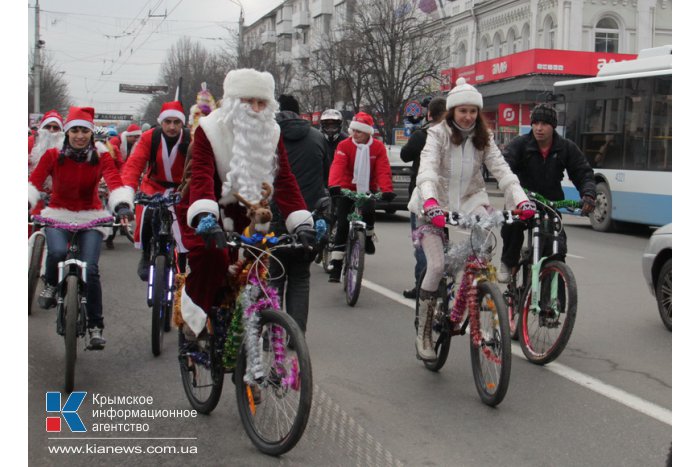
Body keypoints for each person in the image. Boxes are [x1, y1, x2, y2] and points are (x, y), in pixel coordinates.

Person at [174, 68, 314, 341]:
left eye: (261, 102)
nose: (255, 109)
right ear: (233, 102)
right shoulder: (210, 129)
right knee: (212, 258)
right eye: (248, 101)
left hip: (247, 212)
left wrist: (301, 222)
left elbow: (283, 178)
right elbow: (201, 176)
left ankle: (243, 336)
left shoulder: (271, 132)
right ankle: (194, 317)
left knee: (255, 267)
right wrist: (205, 216)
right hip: (205, 206)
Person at [408, 78, 534, 361]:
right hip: (433, 205)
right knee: (437, 265)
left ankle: (478, 304)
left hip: (470, 202)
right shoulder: (437, 134)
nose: (468, 116)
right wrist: (429, 200)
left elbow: (503, 171)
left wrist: (521, 199)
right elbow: (426, 169)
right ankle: (425, 332)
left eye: (473, 111)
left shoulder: (483, 138)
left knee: (483, 251)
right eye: (462, 110)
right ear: (452, 112)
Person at [28, 106, 134, 349]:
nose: (79, 136)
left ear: (91, 133)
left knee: (92, 269)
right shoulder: (53, 154)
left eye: (84, 131)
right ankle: (53, 285)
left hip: (90, 216)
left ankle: (96, 326)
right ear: (67, 133)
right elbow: (35, 181)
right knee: (55, 253)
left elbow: (114, 180)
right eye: (74, 130)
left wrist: (121, 206)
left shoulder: (101, 154)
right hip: (58, 214)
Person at [498, 103, 596, 283]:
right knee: (512, 226)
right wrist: (511, 188)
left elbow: (583, 173)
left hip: (549, 204)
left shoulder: (566, 147)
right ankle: (508, 263)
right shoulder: (520, 144)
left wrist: (588, 194)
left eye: (544, 123)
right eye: (535, 123)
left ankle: (554, 303)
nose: (539, 128)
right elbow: (504, 167)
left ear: (554, 126)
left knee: (557, 248)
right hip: (522, 201)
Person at [268, 94, 328, 333]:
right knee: (300, 277)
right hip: (307, 217)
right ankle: (296, 335)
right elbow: (325, 174)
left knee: (274, 274)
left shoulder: (270, 137)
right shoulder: (317, 137)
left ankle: (271, 333)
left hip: (275, 214)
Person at [121, 101, 190, 281]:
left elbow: (198, 168)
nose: (172, 126)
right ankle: (145, 254)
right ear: (161, 122)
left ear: (183, 123)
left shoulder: (190, 139)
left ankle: (182, 261)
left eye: (177, 122)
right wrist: (127, 192)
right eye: (168, 122)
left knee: (184, 223)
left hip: (180, 188)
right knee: (146, 214)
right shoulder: (149, 137)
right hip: (153, 185)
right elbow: (134, 165)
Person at [327, 112, 394, 283]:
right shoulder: (344, 145)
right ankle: (336, 264)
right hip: (346, 187)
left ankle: (369, 237)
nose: (355, 135)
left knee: (370, 211)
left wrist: (386, 189)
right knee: (342, 223)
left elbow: (382, 170)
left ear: (368, 133)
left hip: (367, 188)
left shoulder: (377, 147)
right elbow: (338, 166)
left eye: (359, 131)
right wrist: (334, 185)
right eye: (353, 130)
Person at [399, 96, 447, 299]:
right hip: (445, 198)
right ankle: (440, 287)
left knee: (422, 243)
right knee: (442, 243)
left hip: (422, 198)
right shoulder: (452, 136)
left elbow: (405, 155)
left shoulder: (423, 135)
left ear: (429, 115)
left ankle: (422, 287)